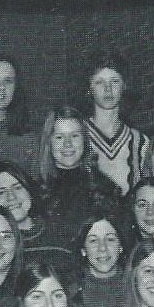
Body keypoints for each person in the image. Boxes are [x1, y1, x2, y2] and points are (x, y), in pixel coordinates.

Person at [37, 105, 121, 249]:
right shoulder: (36, 192)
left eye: (75, 135)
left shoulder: (106, 188)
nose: (67, 143)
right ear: (49, 143)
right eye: (59, 137)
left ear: (84, 140)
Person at [0, 160, 73, 273]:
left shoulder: (59, 238)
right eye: (1, 192)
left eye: (17, 188)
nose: (11, 197)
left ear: (30, 191)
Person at [83, 51, 149, 197]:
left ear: (124, 86)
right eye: (99, 82)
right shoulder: (77, 135)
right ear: (89, 88)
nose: (108, 89)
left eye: (114, 81)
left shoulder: (140, 142)